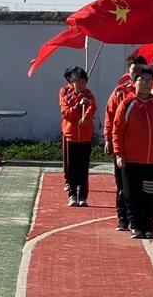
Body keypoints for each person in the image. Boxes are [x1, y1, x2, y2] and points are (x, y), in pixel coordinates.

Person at [112, 66, 153, 239]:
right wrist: (119, 153)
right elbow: (117, 131)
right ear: (134, 82)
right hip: (131, 159)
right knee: (132, 195)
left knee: (150, 195)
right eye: (142, 80)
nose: (146, 84)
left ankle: (149, 226)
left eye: (149, 81)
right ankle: (135, 225)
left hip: (152, 160)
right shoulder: (127, 104)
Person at [104, 55, 148, 231]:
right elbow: (110, 116)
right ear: (128, 72)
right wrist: (108, 139)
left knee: (144, 186)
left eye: (141, 70)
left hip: (145, 148)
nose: (137, 73)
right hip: (123, 147)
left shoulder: (152, 93)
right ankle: (123, 218)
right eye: (134, 70)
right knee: (122, 184)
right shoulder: (120, 92)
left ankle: (141, 219)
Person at [59, 67, 97, 207]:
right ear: (72, 82)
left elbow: (92, 108)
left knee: (83, 167)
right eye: (77, 81)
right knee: (71, 167)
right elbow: (66, 114)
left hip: (85, 137)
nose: (80, 84)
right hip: (71, 136)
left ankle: (83, 196)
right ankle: (72, 194)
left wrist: (86, 116)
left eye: (83, 81)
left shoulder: (89, 95)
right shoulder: (66, 95)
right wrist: (77, 106)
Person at [59, 66, 77, 191]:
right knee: (68, 156)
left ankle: (80, 182)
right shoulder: (64, 91)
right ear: (69, 78)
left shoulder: (85, 92)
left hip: (82, 130)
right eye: (74, 76)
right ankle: (67, 179)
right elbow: (63, 109)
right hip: (69, 127)